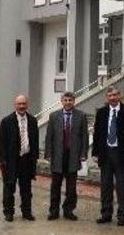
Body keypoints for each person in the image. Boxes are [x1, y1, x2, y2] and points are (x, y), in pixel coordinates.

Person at [92, 86, 124, 226]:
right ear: (107, 97)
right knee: (105, 186)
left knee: (121, 187)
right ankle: (106, 214)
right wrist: (95, 153)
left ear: (120, 96)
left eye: (115, 95)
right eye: (110, 95)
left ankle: (122, 216)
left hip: (121, 154)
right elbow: (97, 134)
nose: (112, 97)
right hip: (105, 154)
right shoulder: (101, 112)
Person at [44, 92, 88, 221]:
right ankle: (54, 211)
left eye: (70, 100)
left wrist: (83, 153)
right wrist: (48, 154)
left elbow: (84, 136)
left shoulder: (81, 116)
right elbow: (49, 137)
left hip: (73, 156)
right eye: (65, 100)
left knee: (71, 187)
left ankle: (69, 210)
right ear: (61, 101)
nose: (68, 102)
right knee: (55, 186)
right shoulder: (54, 116)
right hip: (58, 156)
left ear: (74, 101)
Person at [0, 94, 39, 222]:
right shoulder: (6, 121)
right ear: (15, 105)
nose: (22, 106)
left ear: (27, 105)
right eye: (19, 104)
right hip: (11, 161)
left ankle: (26, 212)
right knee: (9, 188)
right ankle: (8, 212)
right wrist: (3, 160)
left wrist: (35, 157)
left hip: (26, 160)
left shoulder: (33, 120)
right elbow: (1, 143)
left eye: (24, 104)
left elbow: (35, 141)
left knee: (26, 188)